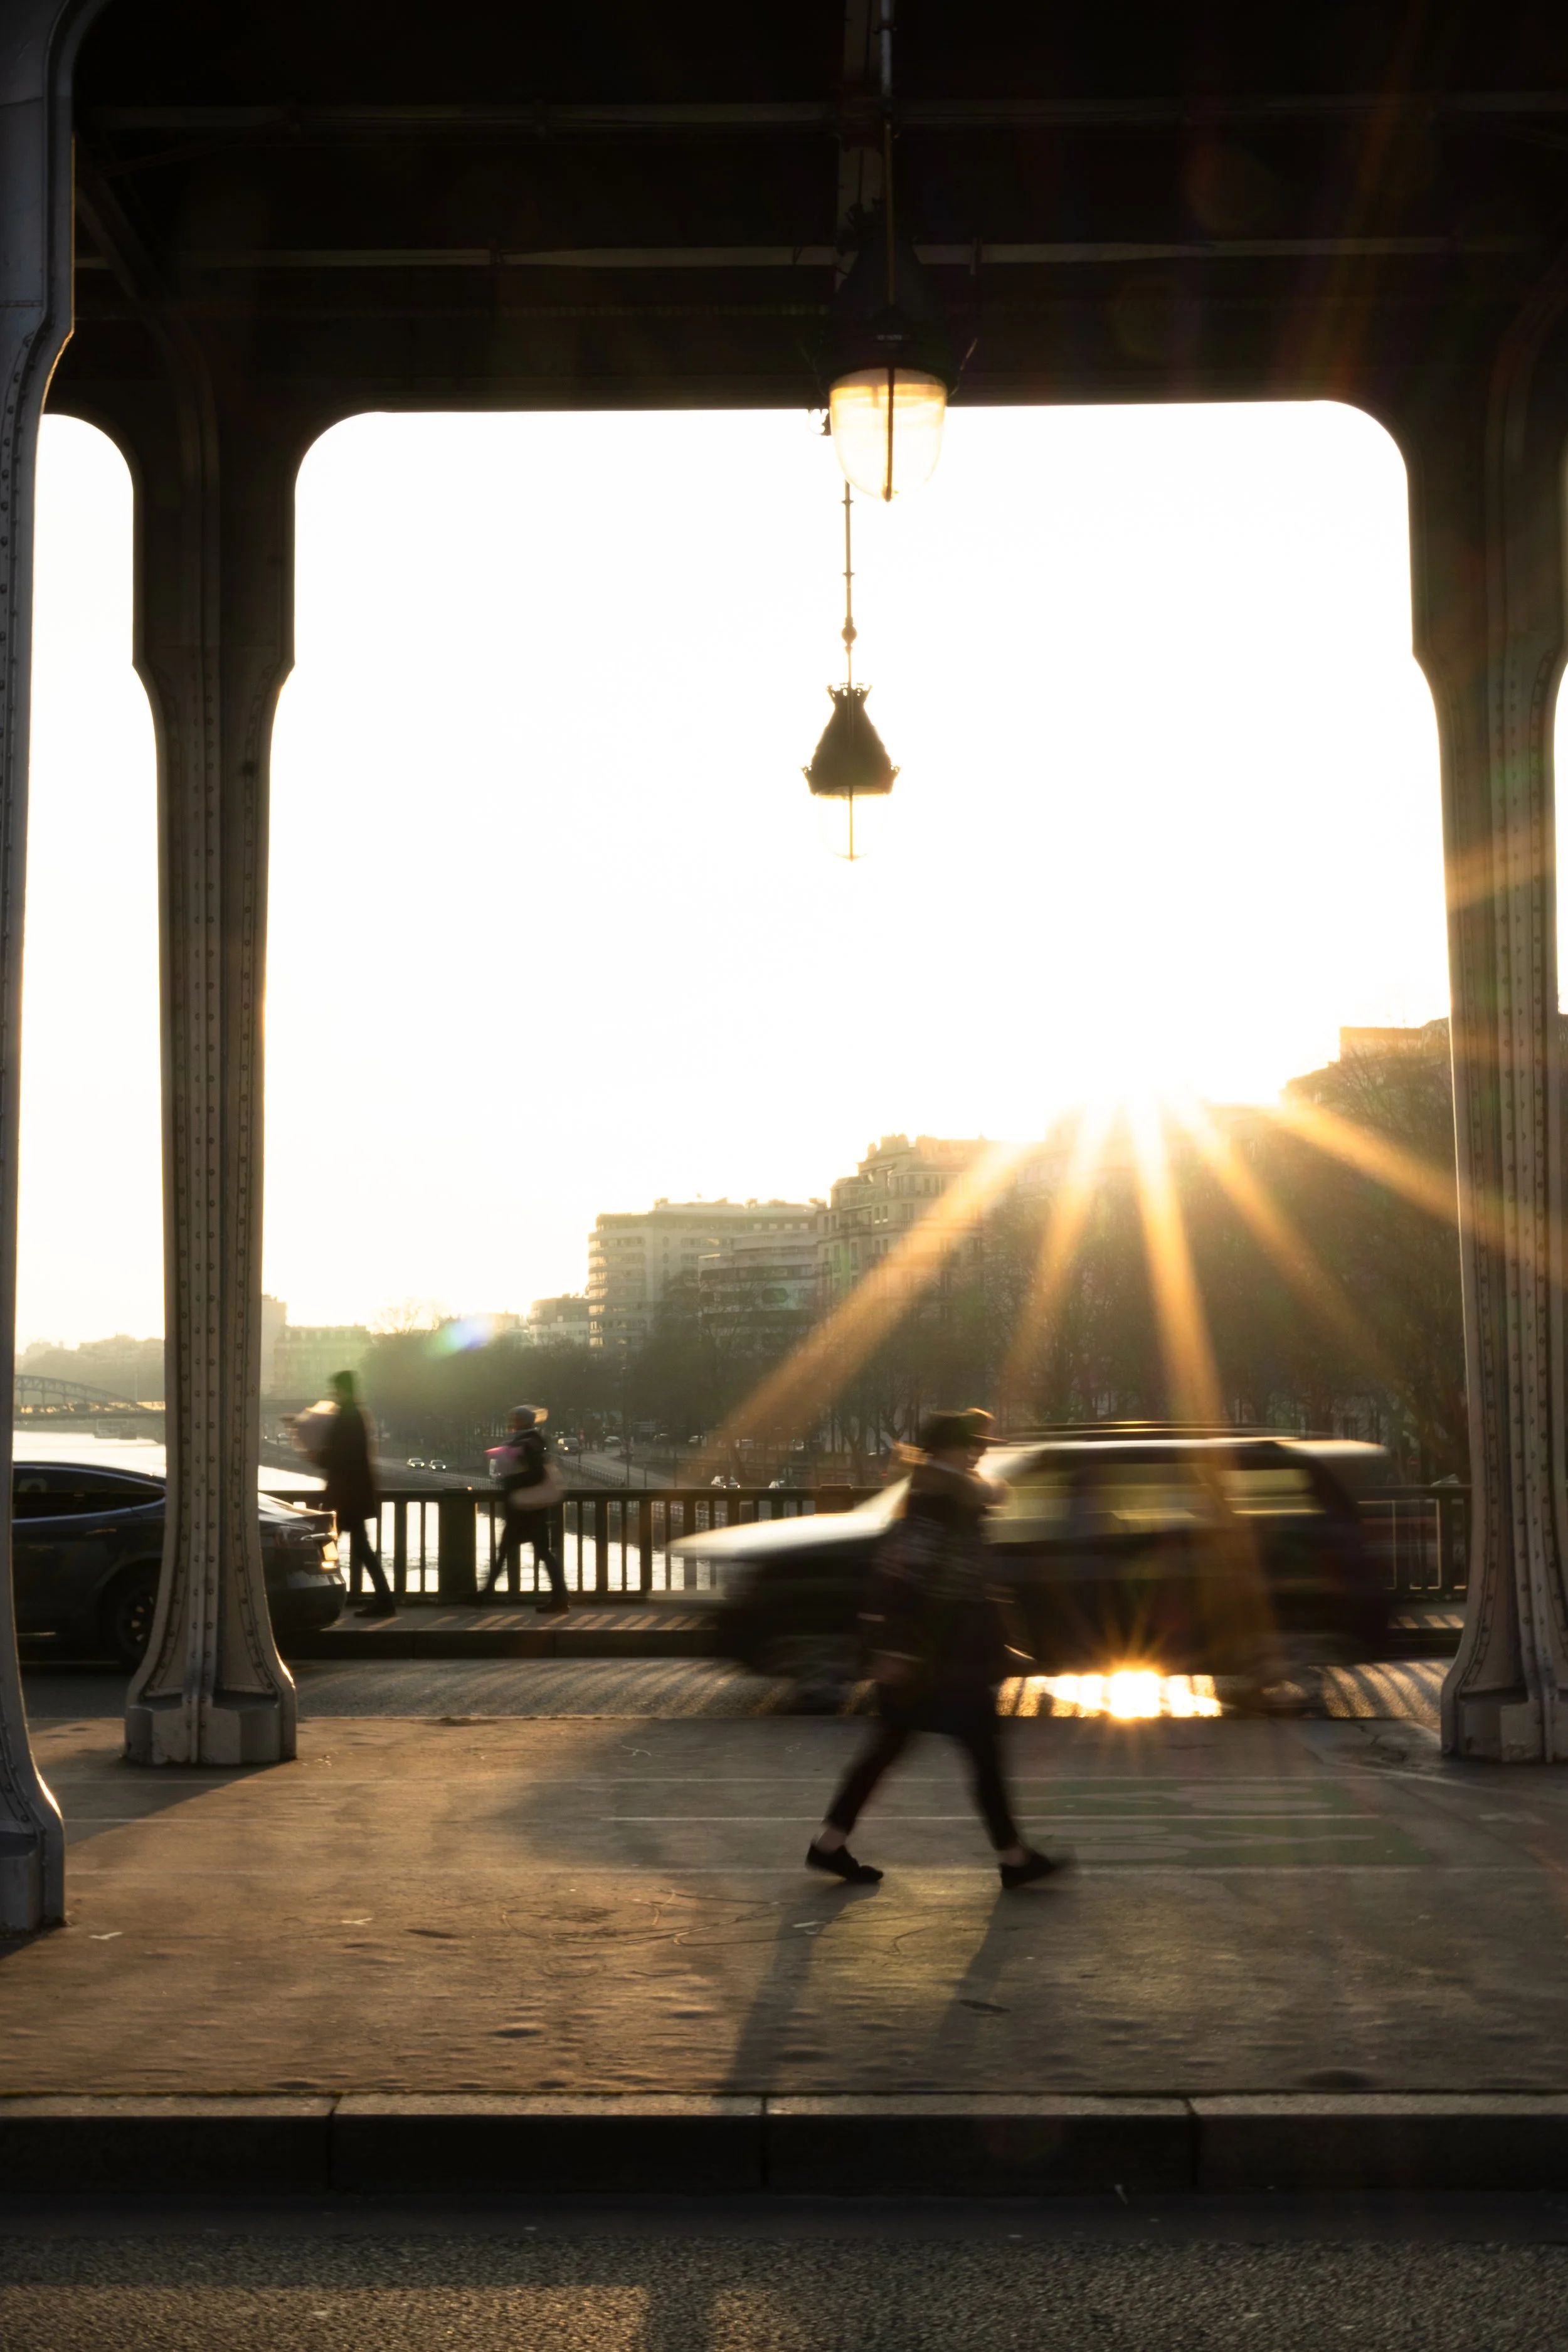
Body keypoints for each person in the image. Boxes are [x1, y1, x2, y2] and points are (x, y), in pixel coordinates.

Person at [807, 1407, 1065, 1891]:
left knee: (890, 1751)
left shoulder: (940, 1492)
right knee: (980, 1754)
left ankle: (829, 1844)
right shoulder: (940, 1499)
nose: (979, 1452)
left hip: (933, 1656)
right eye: (973, 1444)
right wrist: (897, 1649)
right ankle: (1013, 1857)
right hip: (938, 1658)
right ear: (950, 1448)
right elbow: (907, 1574)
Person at [318, 1369, 395, 1620]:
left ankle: (319, 1597)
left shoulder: (347, 1416)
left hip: (345, 1494)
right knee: (360, 1548)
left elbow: (341, 1454)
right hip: (354, 1493)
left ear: (343, 1389)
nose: (334, 1393)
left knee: (325, 1545)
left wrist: (319, 1456)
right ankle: (384, 1599)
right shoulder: (356, 1414)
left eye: (336, 1389)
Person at [484, 1406, 568, 1611]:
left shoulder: (527, 1442)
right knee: (541, 1552)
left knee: (507, 1552)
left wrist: (511, 1481)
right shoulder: (532, 1440)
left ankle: (485, 1594)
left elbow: (534, 1474)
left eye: (515, 1418)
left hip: (525, 1509)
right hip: (531, 1509)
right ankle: (560, 1597)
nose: (511, 1421)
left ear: (522, 1421)